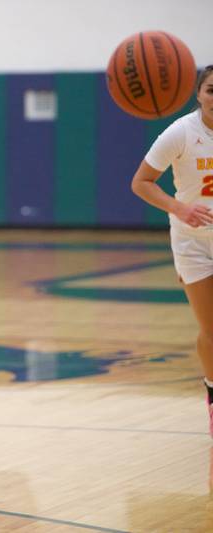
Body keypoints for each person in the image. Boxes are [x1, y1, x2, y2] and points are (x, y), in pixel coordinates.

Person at [131, 65, 213, 435]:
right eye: (211, 90)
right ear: (198, 94)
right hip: (193, 243)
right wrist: (179, 208)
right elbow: (141, 182)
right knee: (211, 330)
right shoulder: (181, 132)